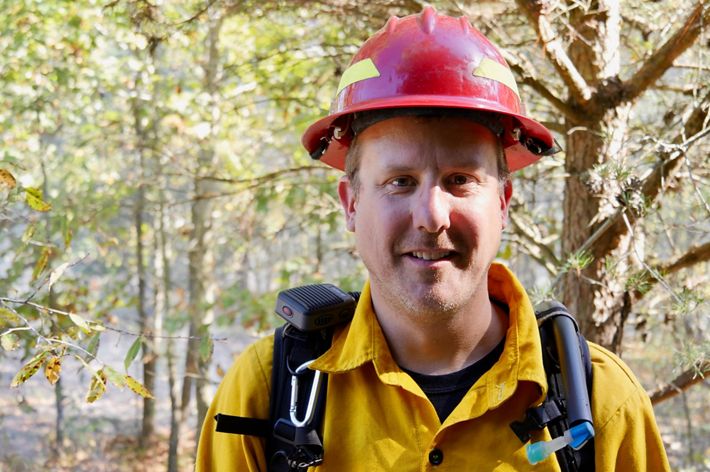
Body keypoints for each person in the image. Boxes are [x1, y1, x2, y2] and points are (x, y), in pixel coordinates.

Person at [197, 6, 669, 471]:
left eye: (460, 179)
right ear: (351, 204)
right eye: (399, 181)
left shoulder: (602, 401)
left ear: (503, 202)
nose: (432, 216)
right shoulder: (267, 393)